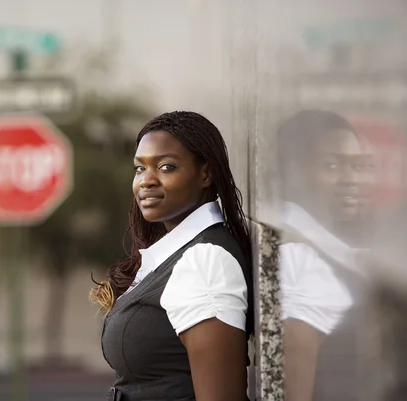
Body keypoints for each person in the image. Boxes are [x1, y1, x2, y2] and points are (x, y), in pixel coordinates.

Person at [90, 111, 254, 401]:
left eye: (166, 167)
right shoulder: (174, 253)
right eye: (140, 168)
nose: (146, 181)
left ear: (206, 173)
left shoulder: (205, 261)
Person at [274, 110, 376, 401]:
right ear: (294, 170)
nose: (351, 179)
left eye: (358, 166)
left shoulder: (323, 248)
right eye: (331, 165)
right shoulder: (301, 257)